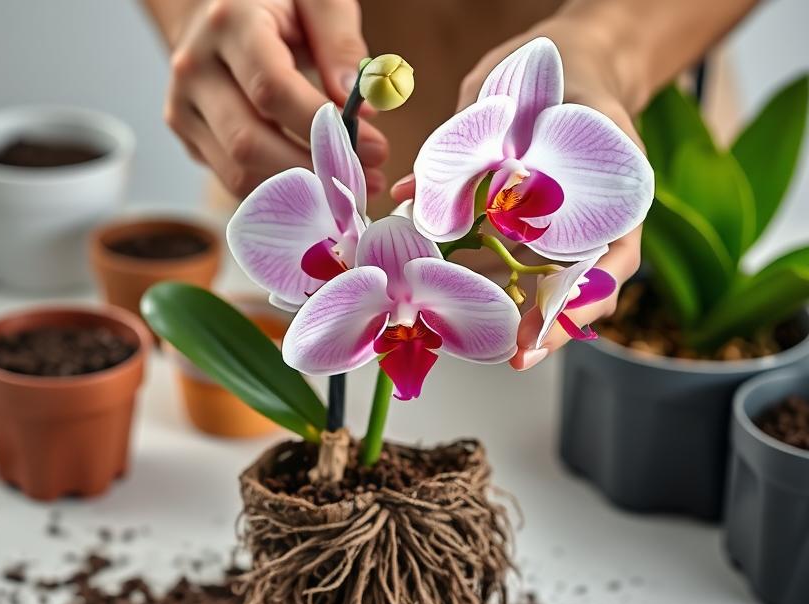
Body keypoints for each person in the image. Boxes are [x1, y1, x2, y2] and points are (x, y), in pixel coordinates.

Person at [141, 0, 760, 370]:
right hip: (294, 120)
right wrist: (201, 12)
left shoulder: (587, 164)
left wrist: (609, 42)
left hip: (625, 71)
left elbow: (618, 182)